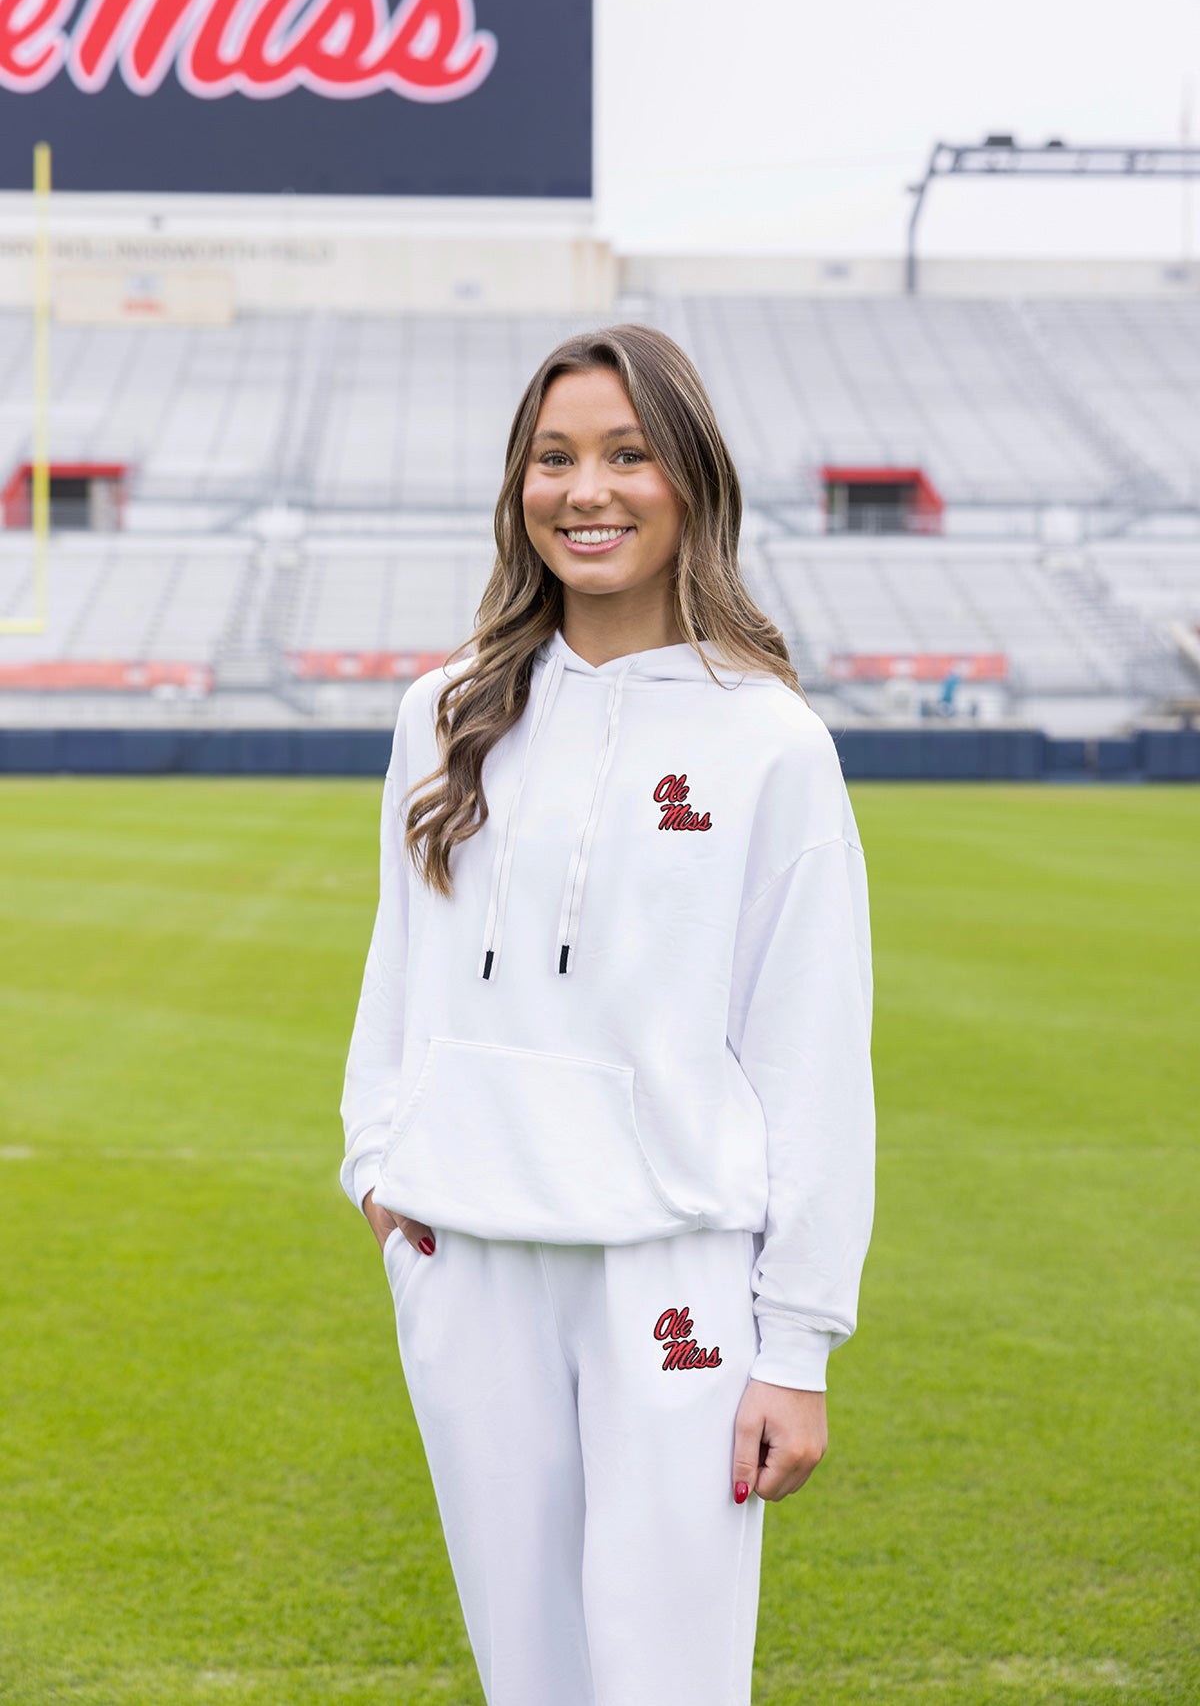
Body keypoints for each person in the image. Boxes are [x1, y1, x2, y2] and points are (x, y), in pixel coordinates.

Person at [338, 324, 876, 1706]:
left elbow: (810, 1049)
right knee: (531, 1677)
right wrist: (381, 1166)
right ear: (517, 487)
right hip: (475, 1260)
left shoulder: (768, 741)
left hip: (671, 1276)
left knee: (668, 1680)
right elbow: (402, 961)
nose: (590, 490)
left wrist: (797, 1343)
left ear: (690, 479)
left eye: (629, 455)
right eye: (555, 457)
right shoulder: (444, 711)